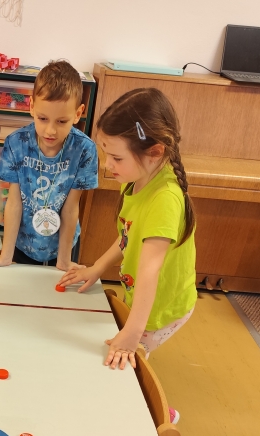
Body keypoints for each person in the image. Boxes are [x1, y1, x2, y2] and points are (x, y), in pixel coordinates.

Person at [61, 88, 197, 396]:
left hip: (161, 307)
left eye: (117, 157)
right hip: (143, 296)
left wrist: (133, 333)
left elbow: (150, 270)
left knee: (128, 368)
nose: (108, 164)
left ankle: (162, 415)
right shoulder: (136, 178)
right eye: (106, 154)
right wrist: (97, 268)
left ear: (155, 151)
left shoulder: (165, 199)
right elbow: (127, 236)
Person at [0, 60, 98, 270]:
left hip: (62, 246)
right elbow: (13, 203)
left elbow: (71, 208)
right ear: (32, 106)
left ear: (78, 113)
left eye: (61, 121)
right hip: (22, 243)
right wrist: (6, 256)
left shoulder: (84, 149)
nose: (50, 131)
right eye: (43, 118)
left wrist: (64, 260)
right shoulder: (16, 143)